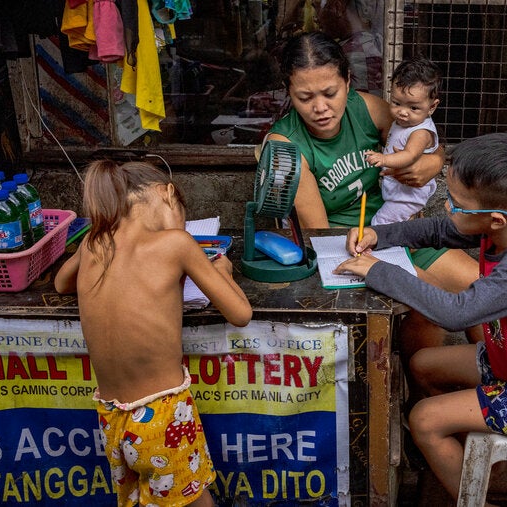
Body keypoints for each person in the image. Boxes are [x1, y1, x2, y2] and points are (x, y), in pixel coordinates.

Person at [334, 133, 507, 499]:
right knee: (422, 363)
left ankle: (473, 496)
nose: (449, 209)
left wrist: (377, 271)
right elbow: (441, 229)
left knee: (423, 419)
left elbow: (457, 313)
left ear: (496, 219)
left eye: (456, 204)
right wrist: (379, 234)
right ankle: (463, 458)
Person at [265, 31, 482, 370]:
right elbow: (318, 235)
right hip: (350, 248)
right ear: (288, 92)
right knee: (428, 305)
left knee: (482, 289)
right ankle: (420, 398)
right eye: (305, 97)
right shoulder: (286, 145)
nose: (320, 108)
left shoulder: (364, 108)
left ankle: (496, 387)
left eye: (330, 93)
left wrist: (433, 161)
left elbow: (421, 137)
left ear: (348, 81)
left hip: (403, 230)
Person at [54, 160, 253, 506]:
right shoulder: (177, 243)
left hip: (112, 418)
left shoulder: (93, 242)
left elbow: (60, 284)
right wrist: (224, 271)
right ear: (167, 193)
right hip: (162, 417)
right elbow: (240, 313)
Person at [365, 56, 441, 225]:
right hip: (398, 193)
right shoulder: (402, 123)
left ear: (432, 107)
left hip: (408, 196)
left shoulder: (421, 132)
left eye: (413, 107)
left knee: (380, 224)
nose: (403, 112)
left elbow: (410, 155)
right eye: (397, 103)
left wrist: (383, 159)